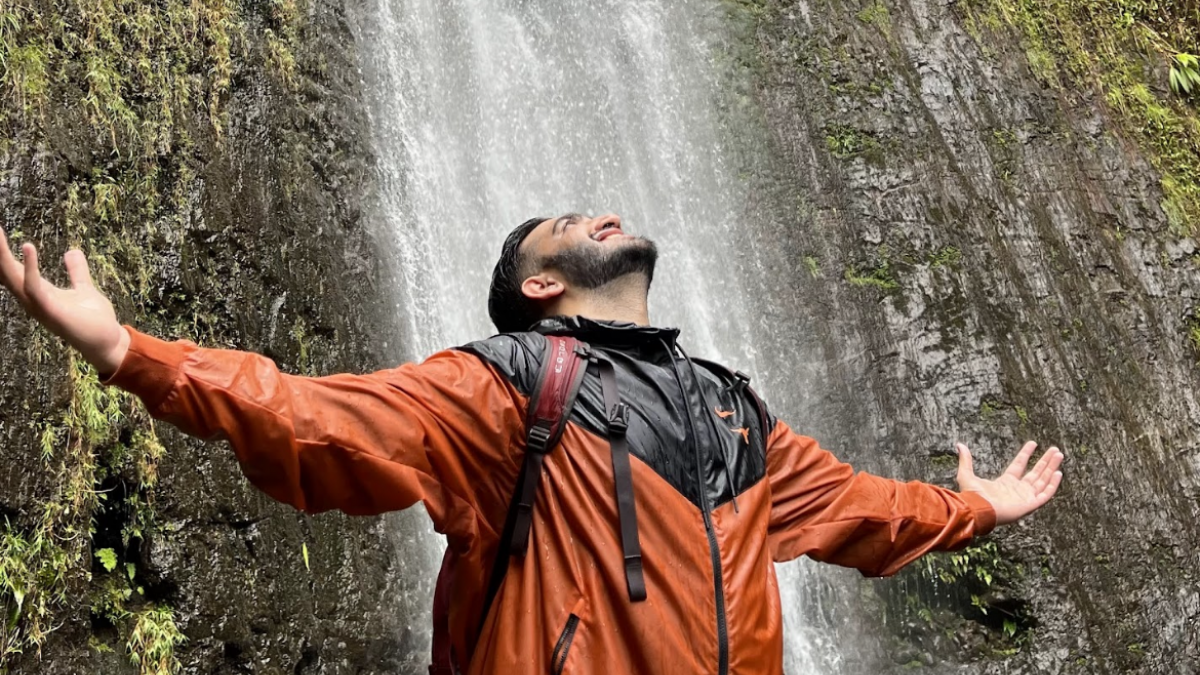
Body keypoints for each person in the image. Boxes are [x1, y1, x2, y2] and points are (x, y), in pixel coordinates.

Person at [0, 213, 1063, 675]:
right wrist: (130, 351)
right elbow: (314, 415)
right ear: (540, 286)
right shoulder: (509, 387)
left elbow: (863, 509)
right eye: (565, 223)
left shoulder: (727, 406)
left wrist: (978, 510)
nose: (600, 212)